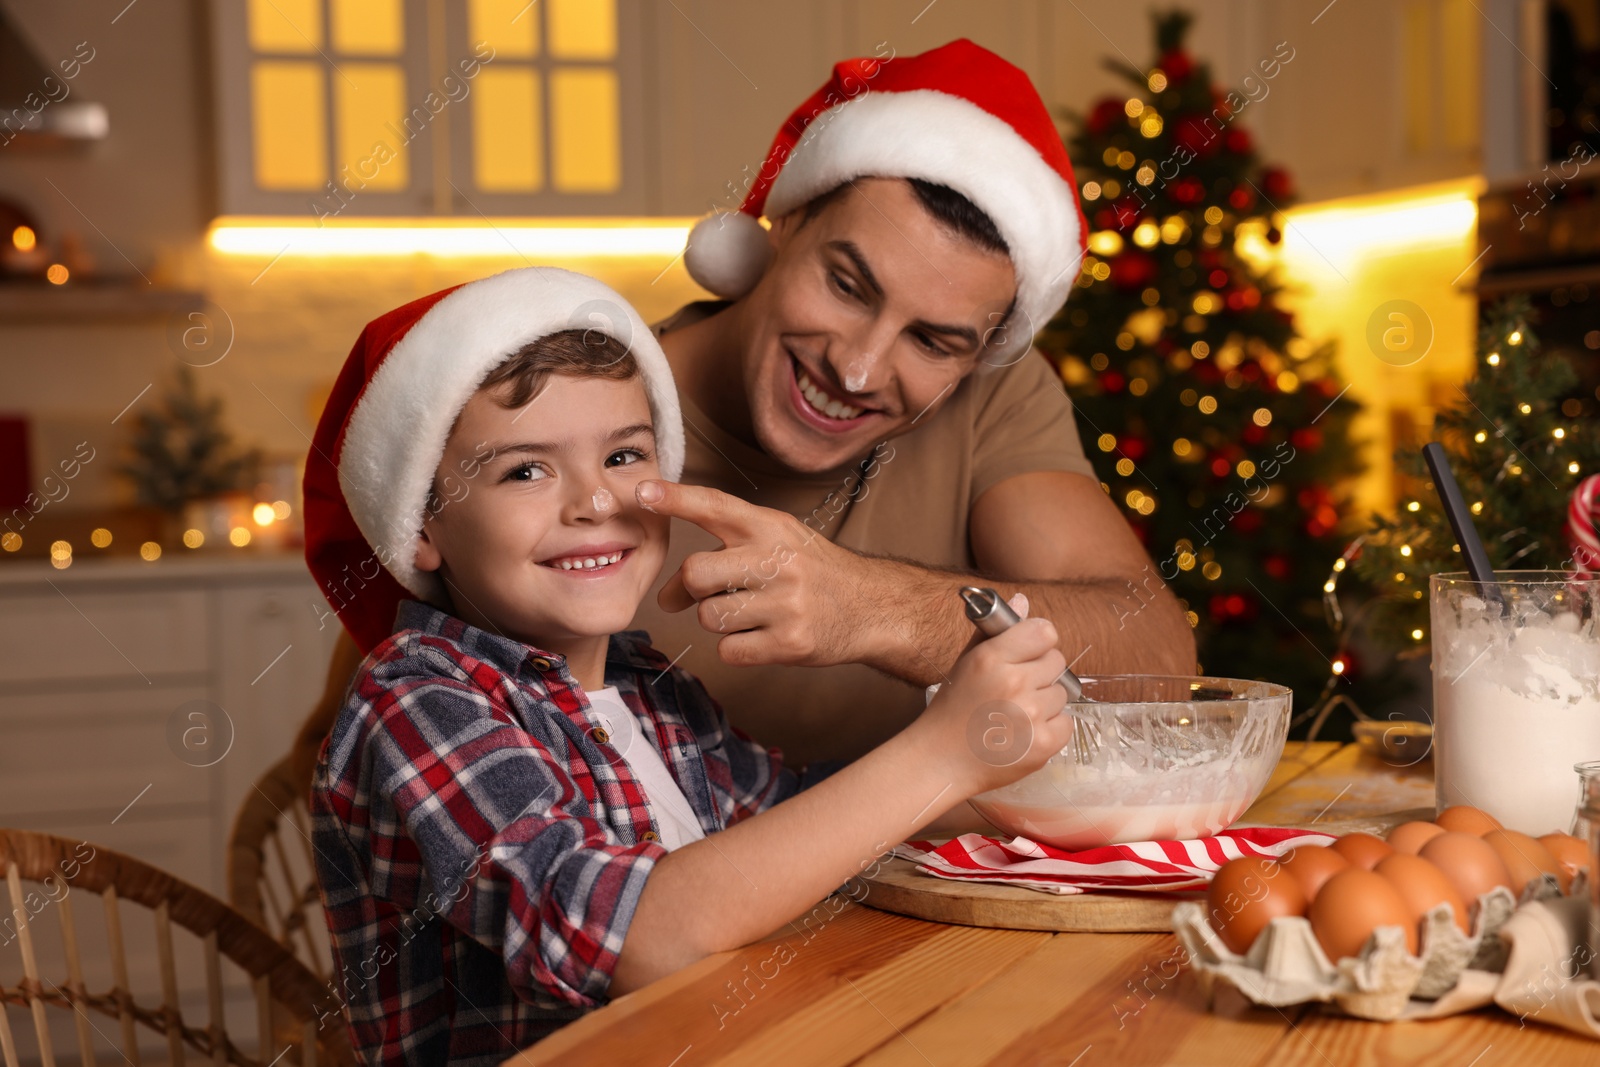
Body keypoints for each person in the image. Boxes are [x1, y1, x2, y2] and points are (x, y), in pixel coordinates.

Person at [301, 267, 1072, 1065]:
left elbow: (794, 817)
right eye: (526, 469)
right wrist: (941, 754)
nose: (595, 502)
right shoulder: (417, 699)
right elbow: (625, 934)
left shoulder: (646, 684)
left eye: (624, 455)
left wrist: (1005, 778)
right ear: (420, 527)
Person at [630, 39, 1197, 771]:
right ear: (786, 222)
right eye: (846, 285)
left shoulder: (995, 397)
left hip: (915, 885)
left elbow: (1152, 660)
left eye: (932, 341)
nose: (858, 369)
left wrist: (870, 607)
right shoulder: (586, 406)